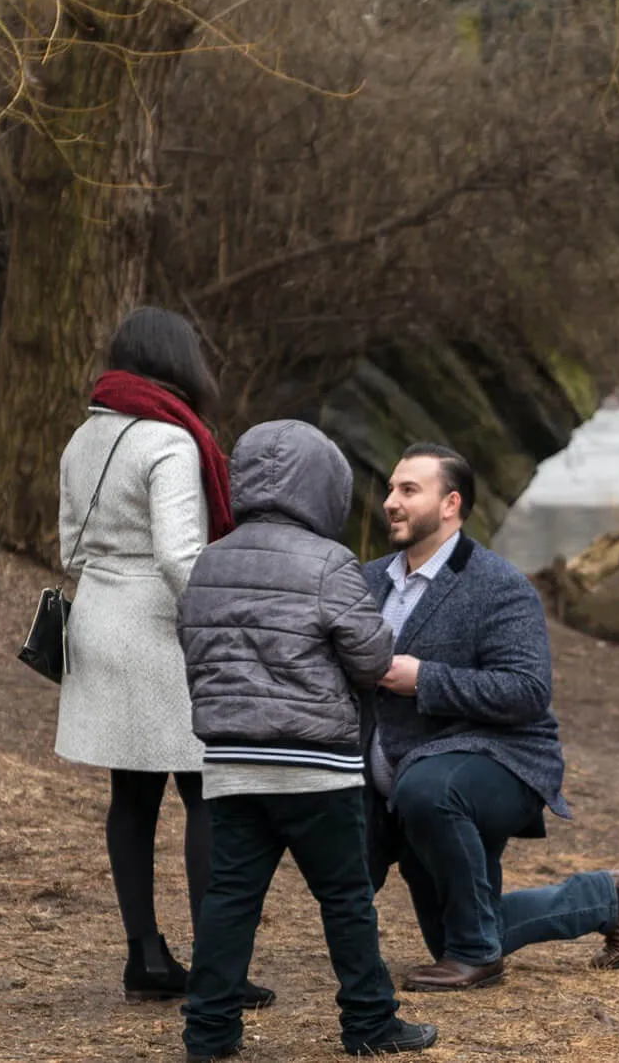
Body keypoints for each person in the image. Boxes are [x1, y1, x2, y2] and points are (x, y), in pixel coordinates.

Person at [177, 420, 439, 1061]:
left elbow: (193, 648)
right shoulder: (329, 563)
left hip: (233, 761)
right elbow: (373, 654)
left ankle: (209, 1034)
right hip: (314, 764)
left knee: (230, 899)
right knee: (346, 900)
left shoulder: (210, 559)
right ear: (324, 488)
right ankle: (369, 1024)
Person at [362, 442, 619, 992]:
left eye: (408, 490)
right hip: (395, 775)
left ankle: (479, 959)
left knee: (429, 795)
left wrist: (424, 678)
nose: (390, 502)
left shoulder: (498, 585)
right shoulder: (368, 580)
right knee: (455, 931)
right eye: (390, 489)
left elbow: (526, 690)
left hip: (497, 763)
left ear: (451, 504)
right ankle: (606, 897)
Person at [53, 306, 272, 1008]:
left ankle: (145, 956)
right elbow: (182, 559)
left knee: (133, 796)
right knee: (207, 790)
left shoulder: (84, 436)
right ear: (181, 362)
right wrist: (231, 616)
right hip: (159, 632)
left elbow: (69, 548)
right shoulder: (172, 442)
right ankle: (218, 968)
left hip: (99, 619)